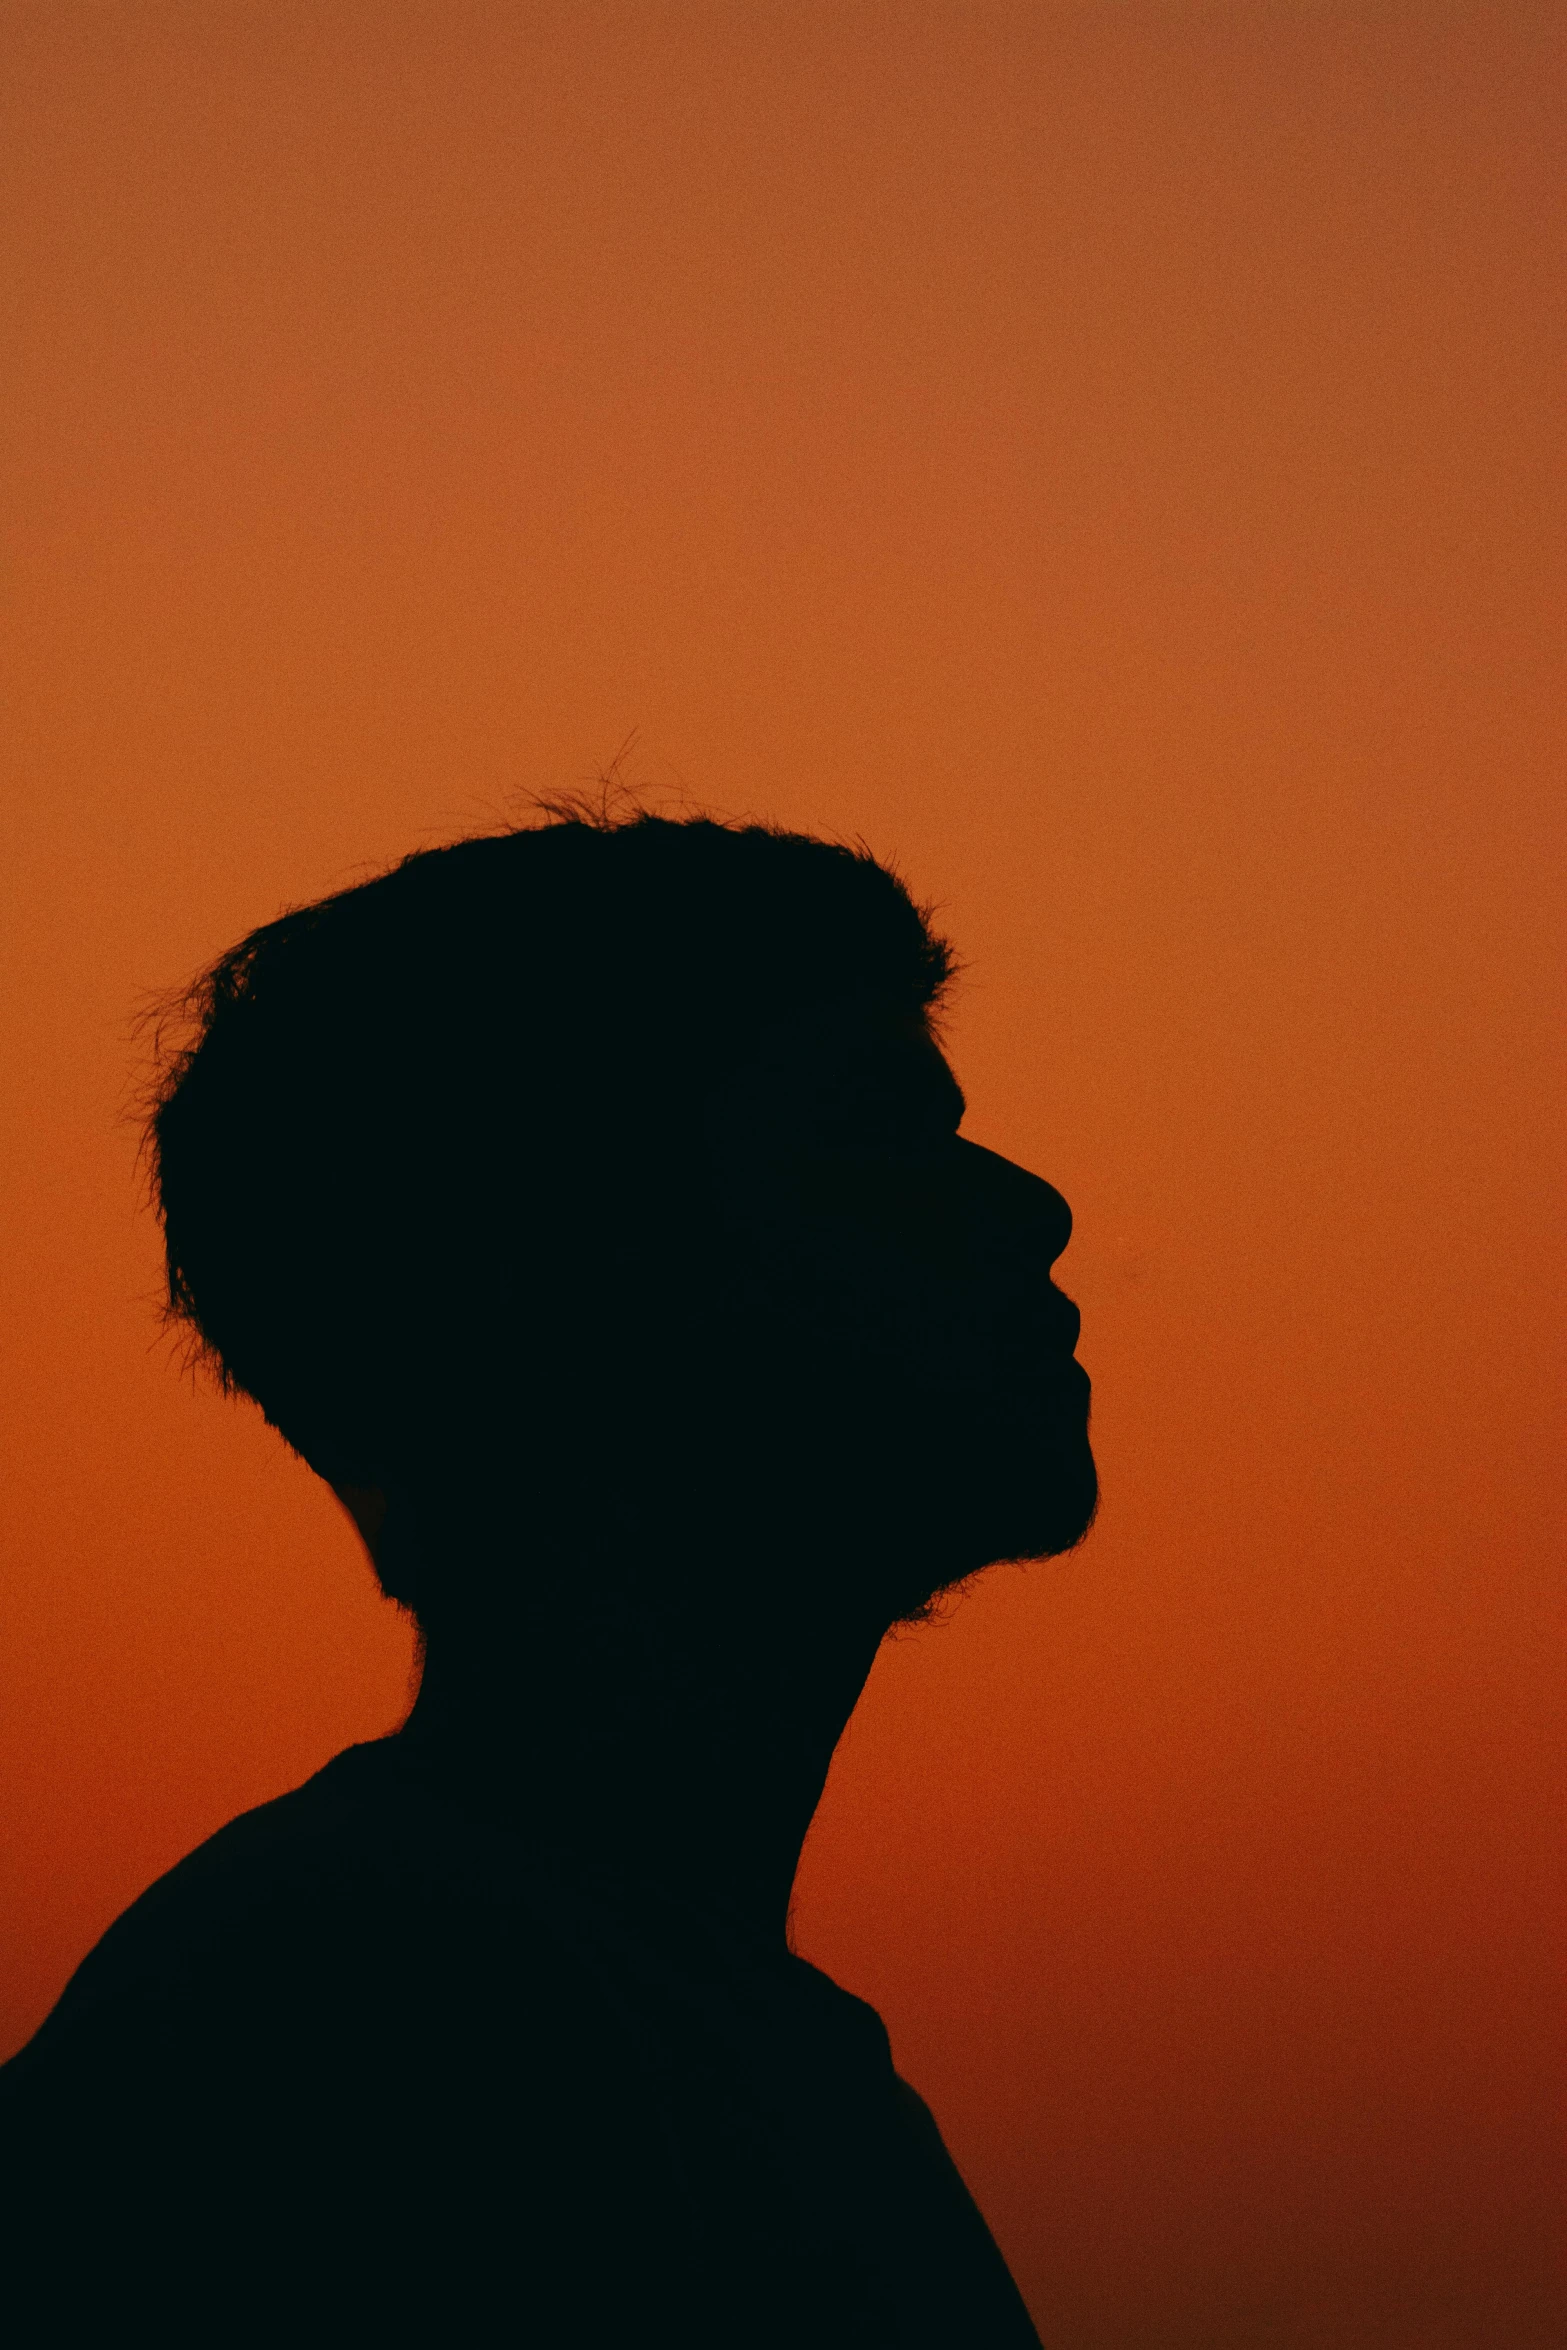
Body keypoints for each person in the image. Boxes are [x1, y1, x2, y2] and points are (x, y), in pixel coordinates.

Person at [0, 808, 1096, 2344]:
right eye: (875, 1135)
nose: (1025, 1206)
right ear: (569, 1285)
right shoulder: (373, 2034)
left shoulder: (697, 2032)